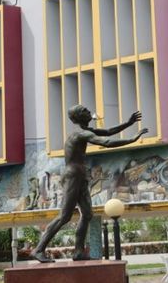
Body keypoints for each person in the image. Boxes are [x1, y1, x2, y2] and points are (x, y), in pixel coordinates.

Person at [31, 106, 147, 262]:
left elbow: (108, 132)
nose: (88, 111)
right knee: (64, 216)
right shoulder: (80, 134)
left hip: (80, 175)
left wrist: (128, 123)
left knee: (87, 214)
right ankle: (38, 250)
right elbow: (106, 141)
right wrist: (132, 140)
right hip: (73, 175)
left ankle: (78, 252)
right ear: (79, 116)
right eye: (84, 110)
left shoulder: (86, 131)